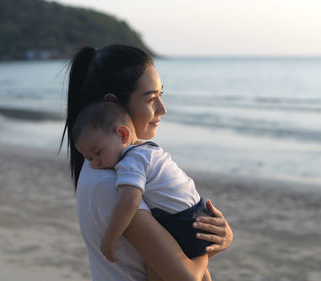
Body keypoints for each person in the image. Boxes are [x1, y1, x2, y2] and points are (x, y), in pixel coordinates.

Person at [60, 44, 233, 281]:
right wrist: (210, 247)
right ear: (114, 103)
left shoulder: (107, 168)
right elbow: (186, 277)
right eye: (151, 98)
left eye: (161, 95)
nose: (162, 109)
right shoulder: (113, 183)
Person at [72, 101, 214, 280]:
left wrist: (110, 238)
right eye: (89, 158)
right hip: (197, 212)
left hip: (183, 221)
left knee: (156, 272)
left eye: (98, 153)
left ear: (123, 134)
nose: (95, 163)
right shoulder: (149, 149)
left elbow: (129, 202)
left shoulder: (129, 163)